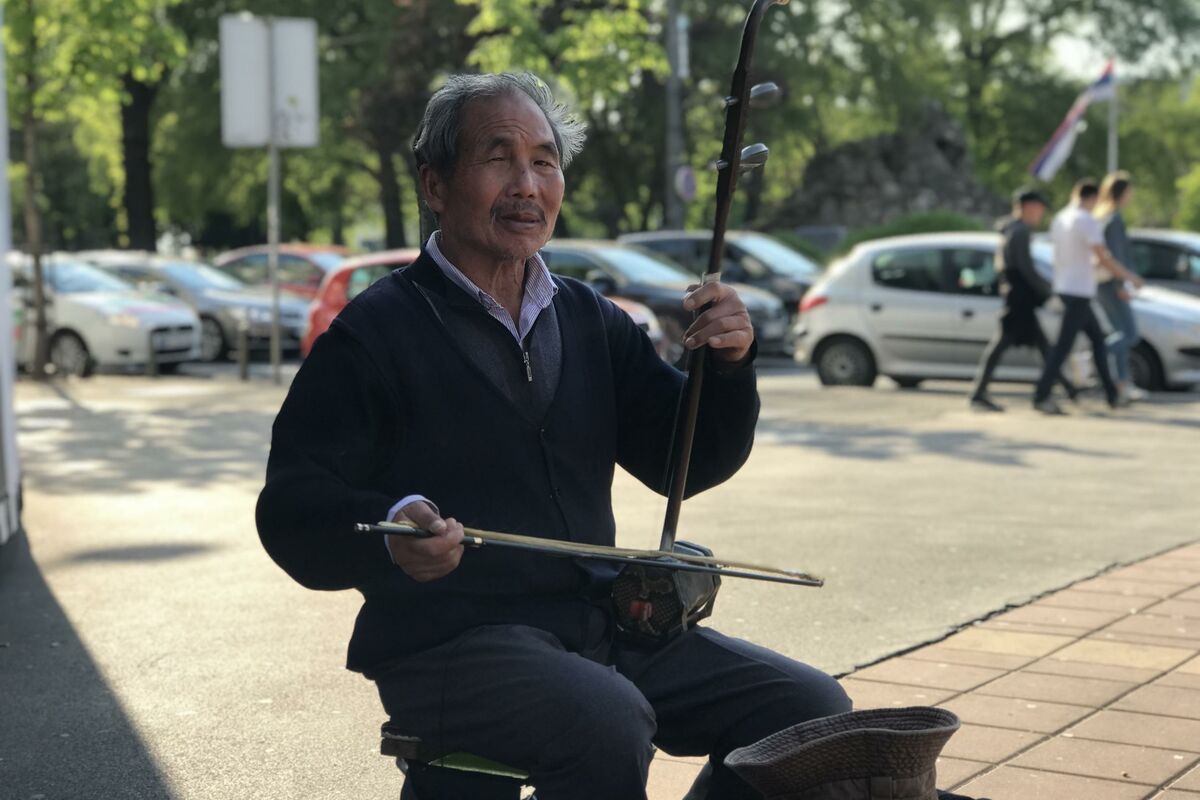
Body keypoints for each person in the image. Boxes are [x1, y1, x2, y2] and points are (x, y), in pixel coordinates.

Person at [255, 73, 850, 800]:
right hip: (445, 646)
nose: (527, 185)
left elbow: (684, 464)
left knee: (810, 713)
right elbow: (292, 504)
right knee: (606, 718)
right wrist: (389, 530)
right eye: (498, 157)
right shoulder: (374, 334)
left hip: (600, 628)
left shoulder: (590, 318)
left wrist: (727, 368)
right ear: (435, 184)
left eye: (544, 161)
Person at [1032, 178, 1144, 415]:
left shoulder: (1060, 218)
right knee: (1063, 346)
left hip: (1066, 286)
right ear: (1092, 198)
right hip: (1079, 289)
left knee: (1098, 341)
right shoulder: (1086, 220)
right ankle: (1041, 394)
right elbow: (1103, 257)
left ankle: (1111, 395)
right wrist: (1129, 277)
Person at [969, 188, 1078, 412]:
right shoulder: (1020, 232)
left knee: (1040, 345)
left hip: (1017, 297)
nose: (1040, 214)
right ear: (1028, 207)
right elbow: (1026, 269)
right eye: (1039, 209)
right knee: (1009, 344)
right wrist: (1047, 293)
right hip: (1019, 299)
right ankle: (982, 394)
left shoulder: (1011, 229)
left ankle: (1067, 388)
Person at [1094, 171, 1144, 404]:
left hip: (1106, 284)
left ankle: (1121, 383)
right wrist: (1122, 283)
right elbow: (1114, 256)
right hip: (1112, 284)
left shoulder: (1103, 215)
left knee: (1120, 333)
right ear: (1122, 192)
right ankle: (1094, 357)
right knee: (1129, 334)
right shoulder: (1113, 219)